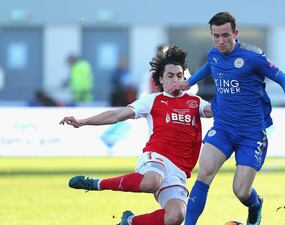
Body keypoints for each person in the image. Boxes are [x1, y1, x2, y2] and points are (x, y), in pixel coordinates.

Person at [168, 12, 285, 225]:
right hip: (223, 128)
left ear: (235, 33)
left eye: (225, 35)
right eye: (216, 36)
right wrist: (190, 82)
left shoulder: (253, 57)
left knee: (240, 191)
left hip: (251, 133)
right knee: (204, 172)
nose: (221, 41)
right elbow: (209, 65)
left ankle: (255, 205)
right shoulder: (214, 54)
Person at [59, 46, 212, 225]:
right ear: (161, 79)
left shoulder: (195, 102)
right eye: (170, 76)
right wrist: (83, 121)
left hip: (179, 169)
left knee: (176, 216)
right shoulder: (152, 100)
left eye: (179, 76)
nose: (175, 80)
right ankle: (97, 183)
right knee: (151, 181)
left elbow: (213, 110)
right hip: (157, 157)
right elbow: (117, 115)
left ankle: (130, 221)